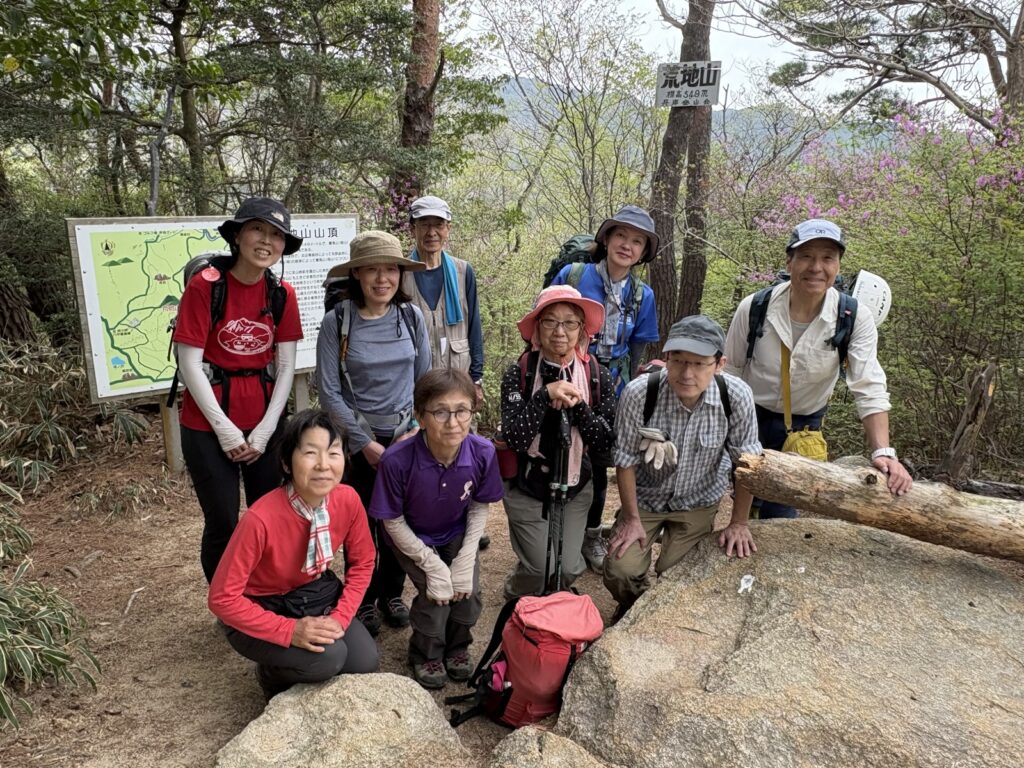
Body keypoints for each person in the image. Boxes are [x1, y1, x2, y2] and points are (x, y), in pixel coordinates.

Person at [723, 219, 913, 518]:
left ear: (838, 265)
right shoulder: (755, 307)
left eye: (827, 258)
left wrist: (883, 451)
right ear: (789, 262)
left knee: (781, 514)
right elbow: (730, 370)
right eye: (806, 256)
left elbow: (869, 386)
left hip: (803, 427)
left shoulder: (853, 318)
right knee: (742, 504)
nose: (816, 267)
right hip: (749, 416)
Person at [173, 197, 304, 583]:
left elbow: (286, 366)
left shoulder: (282, 294)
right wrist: (226, 431)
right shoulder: (205, 287)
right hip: (206, 424)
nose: (266, 241)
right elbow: (189, 364)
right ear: (237, 236)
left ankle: (268, 590)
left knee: (270, 515)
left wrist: (265, 431)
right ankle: (226, 598)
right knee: (223, 521)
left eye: (276, 235)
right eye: (257, 230)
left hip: (264, 420)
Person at [208, 409, 379, 700]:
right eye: (310, 453)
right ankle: (270, 674)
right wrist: (290, 630)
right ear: (287, 463)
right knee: (329, 658)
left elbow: (363, 562)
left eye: (333, 453)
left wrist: (339, 618)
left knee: (364, 662)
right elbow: (222, 599)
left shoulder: (347, 499)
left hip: (315, 594)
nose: (323, 465)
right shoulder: (260, 519)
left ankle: (298, 659)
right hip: (263, 604)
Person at [604, 315, 763, 620]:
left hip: (698, 500)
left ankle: (663, 610)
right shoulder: (640, 393)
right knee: (620, 569)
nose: (687, 373)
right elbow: (624, 460)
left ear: (719, 364)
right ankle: (636, 610)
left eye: (699, 364)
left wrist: (739, 522)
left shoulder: (736, 396)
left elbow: (747, 465)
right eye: (678, 361)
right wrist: (632, 519)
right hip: (646, 498)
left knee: (676, 570)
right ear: (667, 358)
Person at [316, 230, 432, 636]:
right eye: (372, 270)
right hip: (355, 442)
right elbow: (329, 391)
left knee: (398, 520)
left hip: (405, 437)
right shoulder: (337, 322)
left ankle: (392, 592)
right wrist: (363, 443)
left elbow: (425, 381)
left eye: (391, 270)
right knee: (361, 522)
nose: (383, 279)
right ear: (357, 275)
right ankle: (362, 597)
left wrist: (414, 430)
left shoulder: (411, 317)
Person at [369, 369, 504, 689]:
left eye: (462, 411)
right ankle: (425, 653)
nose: (453, 422)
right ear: (420, 416)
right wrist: (431, 565)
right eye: (440, 412)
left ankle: (457, 647)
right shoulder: (396, 460)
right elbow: (392, 520)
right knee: (436, 595)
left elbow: (478, 506)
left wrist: (465, 557)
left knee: (468, 591)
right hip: (410, 534)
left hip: (455, 530)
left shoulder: (482, 452)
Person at [549, 205, 660, 574]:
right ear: (607, 239)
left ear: (643, 252)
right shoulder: (574, 276)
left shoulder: (642, 295)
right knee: (556, 451)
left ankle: (591, 533)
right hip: (566, 375)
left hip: (611, 387)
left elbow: (638, 350)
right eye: (621, 236)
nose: (627, 245)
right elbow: (546, 325)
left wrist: (630, 391)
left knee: (599, 463)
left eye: (637, 241)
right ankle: (548, 532)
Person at [500, 285, 615, 599]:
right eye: (550, 321)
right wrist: (543, 396)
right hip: (529, 481)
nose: (560, 332)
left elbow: (604, 440)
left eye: (570, 323)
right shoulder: (520, 372)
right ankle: (518, 591)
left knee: (567, 569)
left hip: (576, 483)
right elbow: (514, 437)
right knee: (541, 569)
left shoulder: (596, 375)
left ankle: (547, 587)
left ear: (582, 329)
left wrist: (579, 408)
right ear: (537, 328)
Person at [402, 195, 485, 405]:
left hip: (458, 377)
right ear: (412, 229)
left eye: (438, 225)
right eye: (424, 224)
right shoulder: (401, 274)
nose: (432, 232)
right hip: (416, 382)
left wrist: (476, 378)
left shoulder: (463, 271)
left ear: (448, 228)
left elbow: (474, 326)